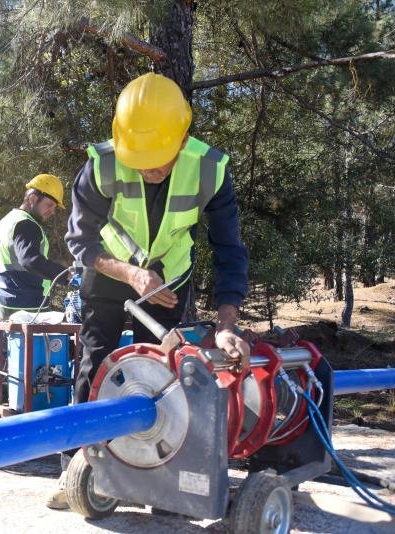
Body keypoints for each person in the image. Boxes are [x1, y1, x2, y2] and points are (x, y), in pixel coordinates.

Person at [47, 72, 251, 509]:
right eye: (140, 158)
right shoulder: (101, 165)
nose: (149, 168)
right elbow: (80, 242)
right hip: (107, 272)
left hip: (168, 280)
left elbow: (229, 250)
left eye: (159, 158)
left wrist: (226, 324)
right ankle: (76, 468)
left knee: (160, 370)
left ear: (182, 140)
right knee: (96, 362)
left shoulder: (210, 170)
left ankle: (151, 470)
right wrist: (131, 274)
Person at [0, 174, 73, 424]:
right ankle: (35, 412)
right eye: (49, 205)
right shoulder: (27, 224)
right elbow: (30, 260)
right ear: (32, 198)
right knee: (38, 357)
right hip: (22, 301)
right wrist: (65, 276)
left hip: (3, 297)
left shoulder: (8, 221)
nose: (52, 212)